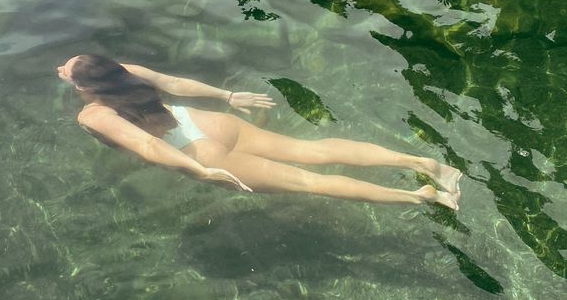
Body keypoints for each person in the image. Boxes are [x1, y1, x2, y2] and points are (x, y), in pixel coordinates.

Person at [57, 54, 461, 208]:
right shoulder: (130, 72)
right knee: (313, 150)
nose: (61, 71)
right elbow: (176, 85)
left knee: (310, 183)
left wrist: (200, 172)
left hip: (200, 153)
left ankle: (420, 195)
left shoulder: (93, 115)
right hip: (209, 122)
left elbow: (145, 143)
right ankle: (424, 162)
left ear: (87, 88)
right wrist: (229, 96)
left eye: (69, 73)